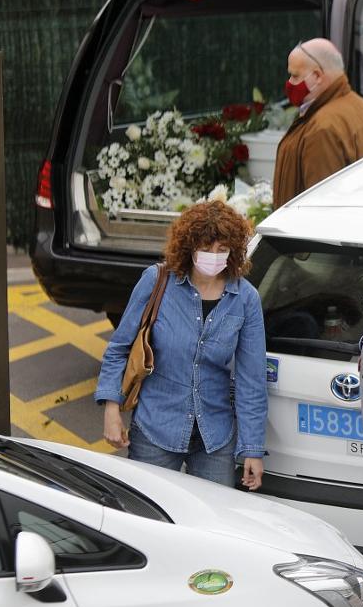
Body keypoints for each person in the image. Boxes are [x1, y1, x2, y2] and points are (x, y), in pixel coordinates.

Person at [95, 201, 266, 490]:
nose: (214, 256)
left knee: (213, 524)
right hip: (155, 428)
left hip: (215, 436)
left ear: (234, 251)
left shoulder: (245, 299)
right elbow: (120, 348)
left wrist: (252, 448)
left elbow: (252, 379)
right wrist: (111, 410)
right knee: (150, 521)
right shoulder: (157, 281)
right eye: (206, 247)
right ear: (189, 246)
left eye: (222, 249)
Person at [272, 38, 363, 208]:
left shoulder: (322, 128)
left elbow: (320, 207)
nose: (289, 83)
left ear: (317, 76)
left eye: (295, 75)